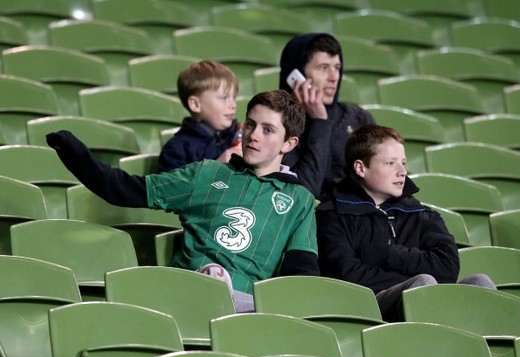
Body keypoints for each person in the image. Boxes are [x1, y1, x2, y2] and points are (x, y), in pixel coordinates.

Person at [46, 90, 320, 312]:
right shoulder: (208, 173)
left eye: (268, 130)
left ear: (289, 144)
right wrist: (77, 156)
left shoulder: (300, 201)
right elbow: (124, 189)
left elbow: (301, 273)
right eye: (250, 124)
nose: (254, 135)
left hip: (244, 310)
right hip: (183, 293)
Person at [315, 125, 495, 322]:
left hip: (425, 296)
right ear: (360, 168)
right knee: (423, 283)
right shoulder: (332, 214)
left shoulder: (422, 214)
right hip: (366, 306)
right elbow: (348, 276)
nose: (402, 172)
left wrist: (386, 254)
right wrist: (413, 278)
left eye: (403, 162)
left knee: (480, 283)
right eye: (390, 163)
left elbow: (448, 269)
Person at [279, 33, 376, 202]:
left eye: (337, 68)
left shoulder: (359, 118)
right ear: (296, 74)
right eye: (323, 67)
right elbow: (305, 192)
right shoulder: (279, 122)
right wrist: (320, 123)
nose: (334, 77)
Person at [158, 60, 242, 173]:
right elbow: (172, 188)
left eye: (234, 98)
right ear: (195, 104)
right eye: (224, 98)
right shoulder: (177, 149)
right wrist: (215, 168)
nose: (233, 105)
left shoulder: (240, 136)